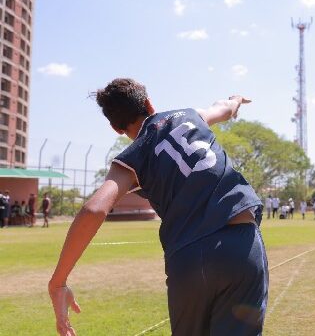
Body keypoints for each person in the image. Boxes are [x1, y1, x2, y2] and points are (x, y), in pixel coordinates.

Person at [48, 78, 268, 336]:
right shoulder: (191, 116)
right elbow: (224, 107)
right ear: (149, 103)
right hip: (240, 242)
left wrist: (58, 283)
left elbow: (94, 210)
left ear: (116, 128)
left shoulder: (130, 159)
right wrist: (236, 100)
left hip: (187, 259)